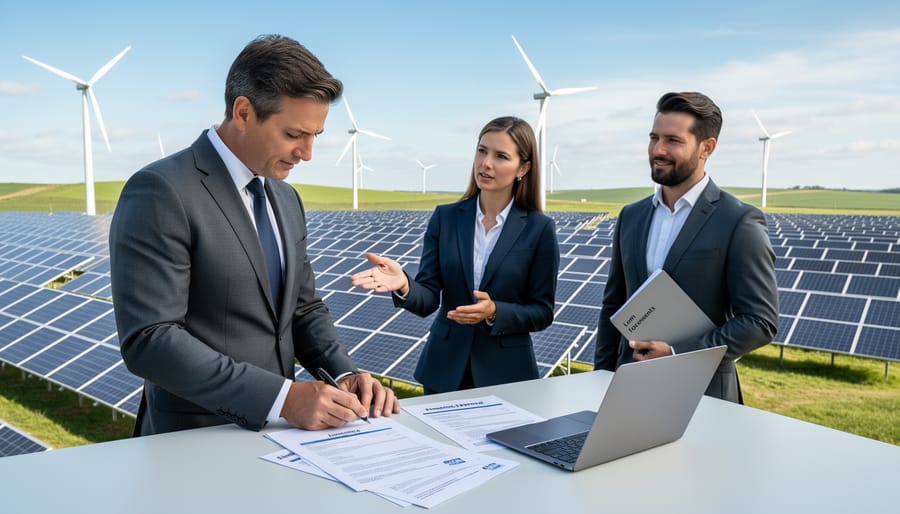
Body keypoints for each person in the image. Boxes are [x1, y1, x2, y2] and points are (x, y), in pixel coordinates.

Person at [109, 35, 399, 436]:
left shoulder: (286, 198)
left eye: (315, 136)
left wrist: (343, 373)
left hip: (283, 440)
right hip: (195, 439)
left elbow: (302, 309)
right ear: (244, 112)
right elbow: (150, 340)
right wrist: (283, 399)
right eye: (294, 134)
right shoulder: (162, 191)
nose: (307, 153)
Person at [351, 116, 559, 394]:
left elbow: (542, 312)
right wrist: (404, 284)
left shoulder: (539, 229)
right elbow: (428, 299)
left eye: (500, 156)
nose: (486, 163)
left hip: (507, 374)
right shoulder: (445, 218)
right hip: (445, 369)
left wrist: (495, 311)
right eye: (482, 151)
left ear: (523, 168)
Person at [594, 91, 778, 403]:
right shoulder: (631, 216)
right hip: (630, 389)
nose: (658, 150)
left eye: (673, 140)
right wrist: (600, 379)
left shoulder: (739, 221)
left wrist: (677, 352)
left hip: (704, 395)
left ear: (707, 147)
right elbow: (614, 306)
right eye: (654, 138)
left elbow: (760, 322)